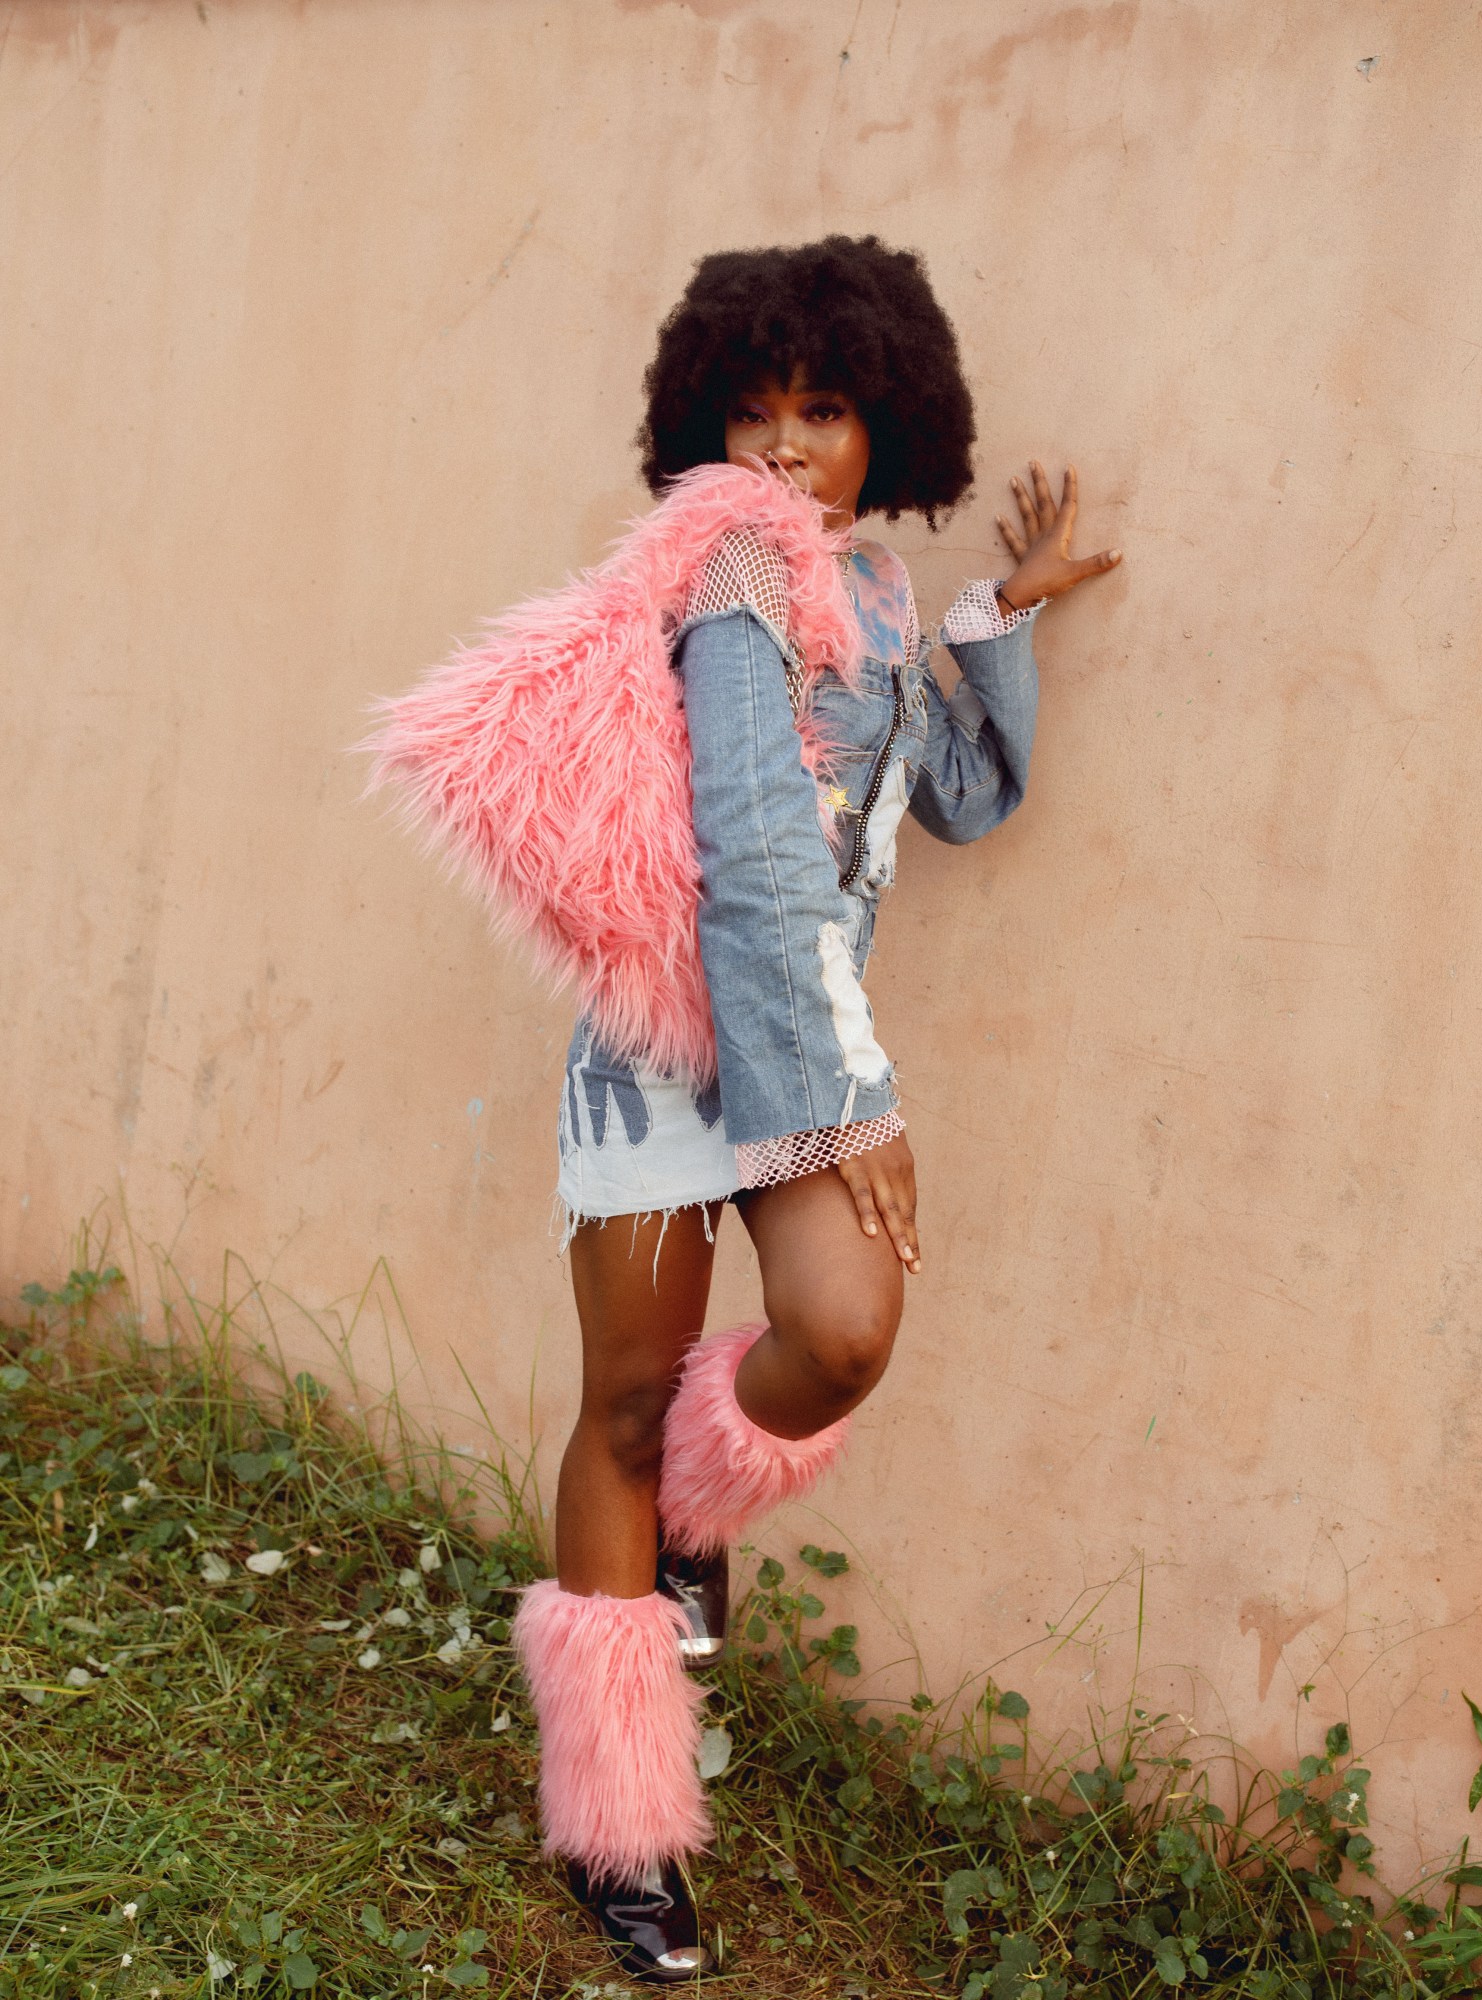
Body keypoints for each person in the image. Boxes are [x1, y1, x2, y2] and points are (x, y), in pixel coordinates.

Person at [370, 234, 1120, 1983]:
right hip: (665, 1054)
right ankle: (617, 1831)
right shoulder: (728, 566)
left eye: (828, 409)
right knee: (624, 1403)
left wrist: (997, 628)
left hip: (794, 1046)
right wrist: (847, 1110)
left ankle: (693, 1528)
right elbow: (759, 861)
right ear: (705, 425)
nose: (786, 444)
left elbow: (952, 797)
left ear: (890, 432)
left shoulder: (853, 597)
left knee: (840, 1334)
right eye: (755, 407)